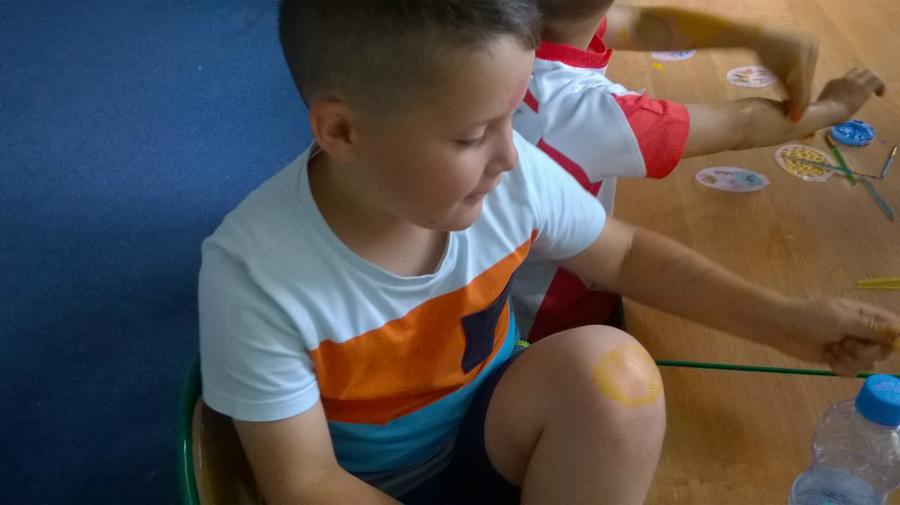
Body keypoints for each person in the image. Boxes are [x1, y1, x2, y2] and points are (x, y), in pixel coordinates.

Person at [198, 2, 899, 503]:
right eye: (472, 135)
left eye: (513, 116)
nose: (512, 155)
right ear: (343, 131)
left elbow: (627, 256)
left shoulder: (508, 175)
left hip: (492, 432)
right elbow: (306, 481)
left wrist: (786, 322)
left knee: (614, 369)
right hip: (365, 485)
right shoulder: (255, 274)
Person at [512, 0, 886, 340]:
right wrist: (834, 108)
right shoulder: (593, 115)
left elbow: (640, 22)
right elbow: (742, 126)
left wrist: (757, 37)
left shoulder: (506, 23)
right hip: (547, 321)